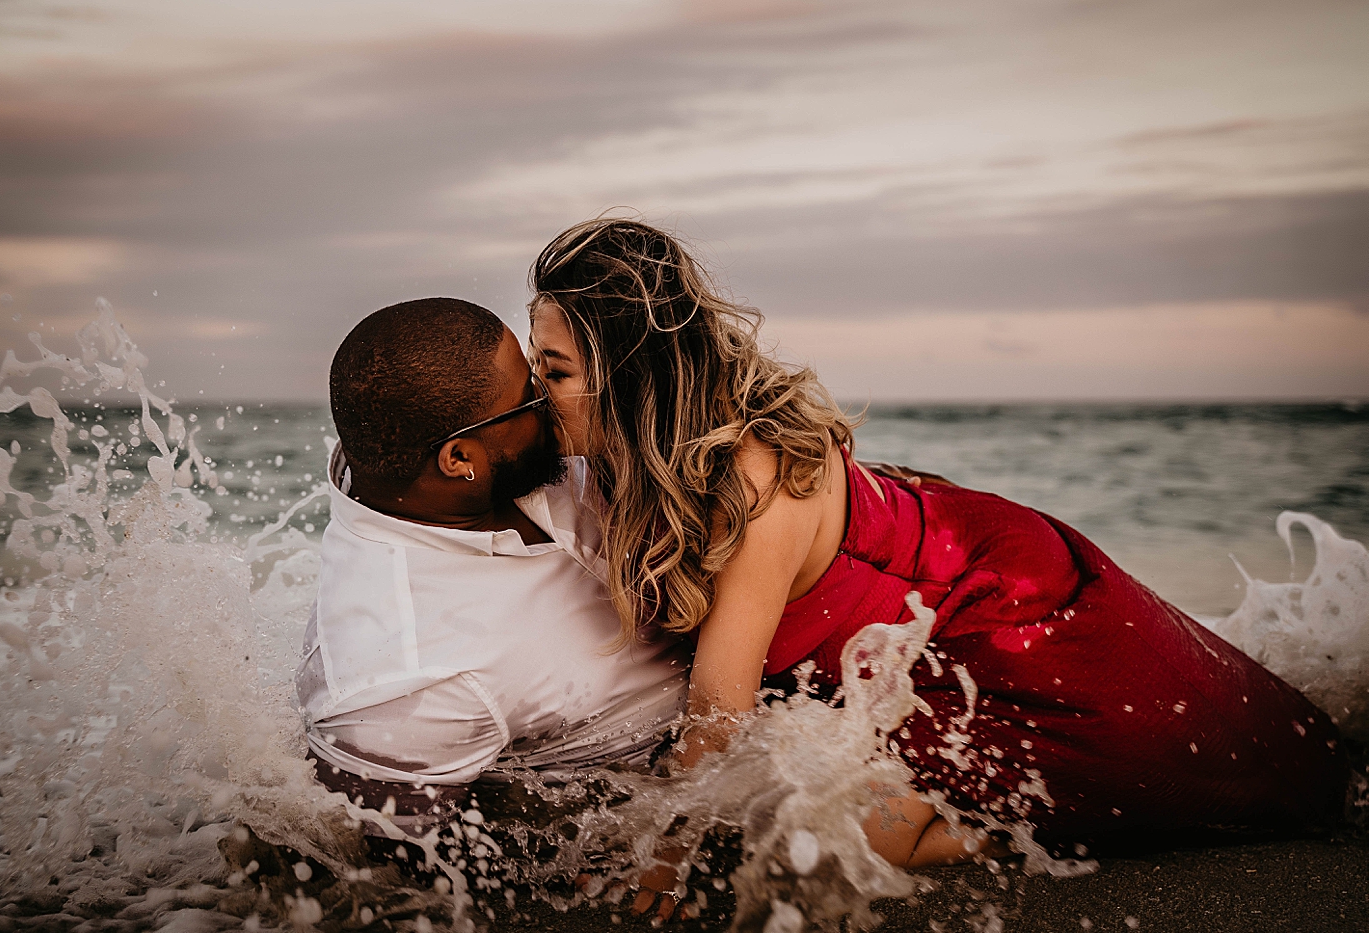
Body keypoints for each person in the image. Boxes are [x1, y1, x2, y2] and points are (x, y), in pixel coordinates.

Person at [526, 219, 1349, 874]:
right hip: (922, 584)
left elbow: (717, 713)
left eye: (554, 371)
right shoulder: (635, 464)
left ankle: (1008, 840)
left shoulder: (746, 478)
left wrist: (662, 844)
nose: (536, 393)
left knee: (823, 839)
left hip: (1004, 621)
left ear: (632, 374)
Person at [297, 297, 690, 833]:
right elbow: (380, 872)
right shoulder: (399, 682)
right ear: (459, 459)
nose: (552, 400)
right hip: (661, 814)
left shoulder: (501, 466)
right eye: (530, 397)